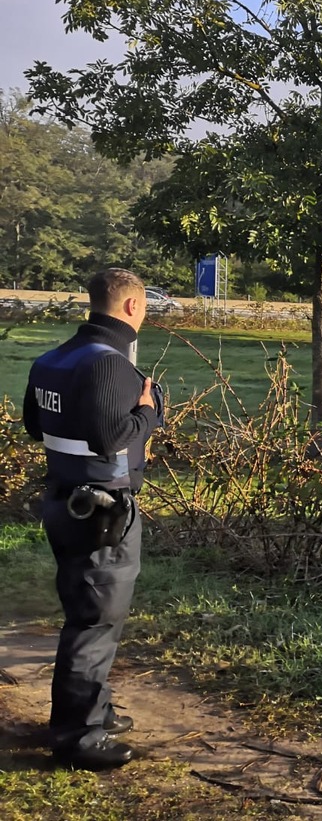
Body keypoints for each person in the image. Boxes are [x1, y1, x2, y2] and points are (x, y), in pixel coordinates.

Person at [23, 268, 164, 771]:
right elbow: (113, 437)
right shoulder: (111, 365)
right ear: (131, 307)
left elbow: (34, 425)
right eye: (144, 307)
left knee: (88, 611)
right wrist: (150, 411)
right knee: (95, 620)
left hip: (64, 501)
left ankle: (94, 710)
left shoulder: (52, 359)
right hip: (103, 512)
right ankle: (77, 735)